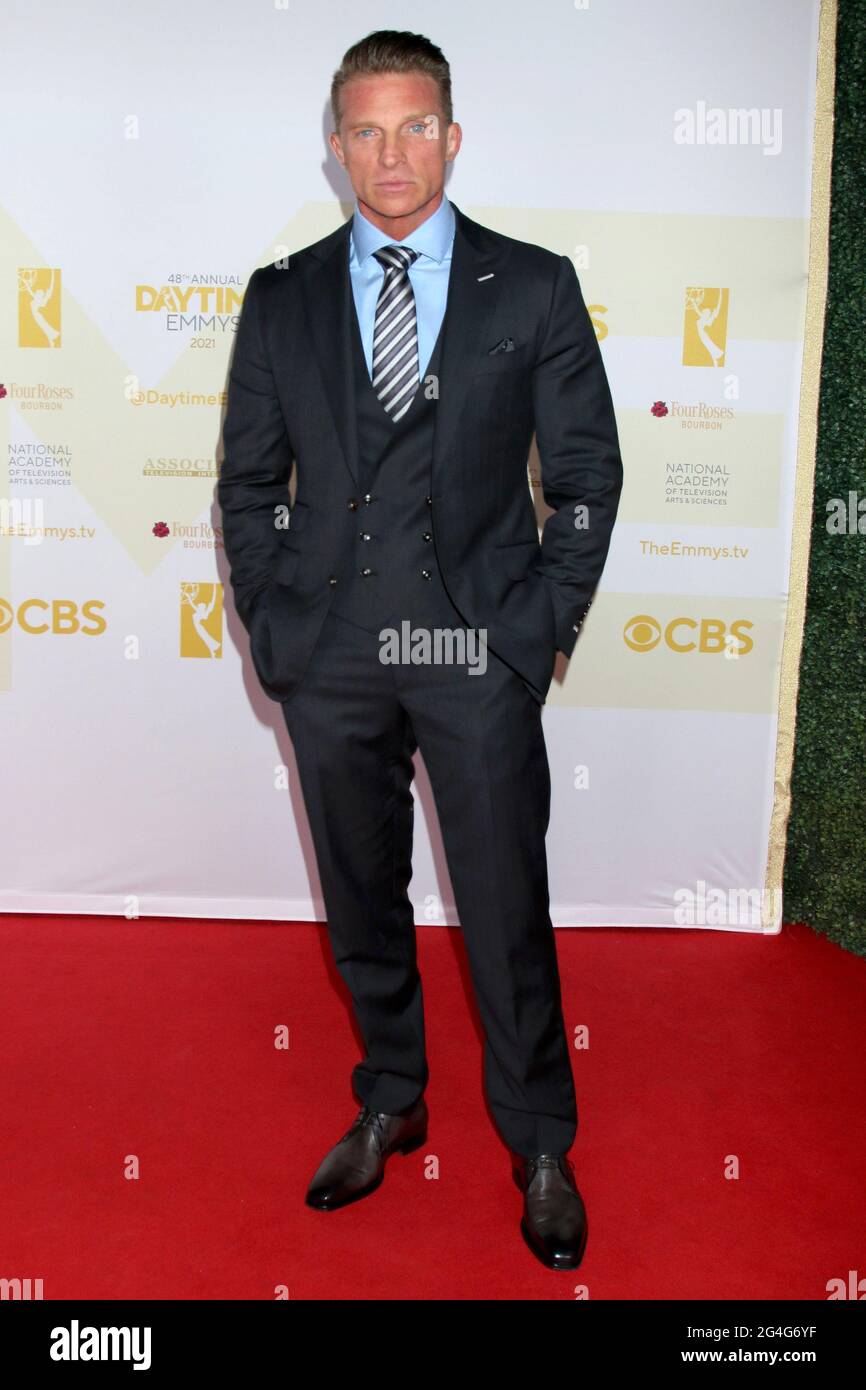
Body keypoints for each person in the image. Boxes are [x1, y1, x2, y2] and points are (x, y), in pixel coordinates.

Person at [217, 28, 623, 1271]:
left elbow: (587, 475)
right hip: (330, 652)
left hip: (474, 650)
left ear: (451, 135)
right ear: (335, 145)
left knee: (504, 906)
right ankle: (391, 1096)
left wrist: (534, 627)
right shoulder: (281, 294)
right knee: (360, 898)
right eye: (363, 129)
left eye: (413, 126)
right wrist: (281, 629)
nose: (388, 153)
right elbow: (246, 486)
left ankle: (540, 1139)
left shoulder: (535, 284)